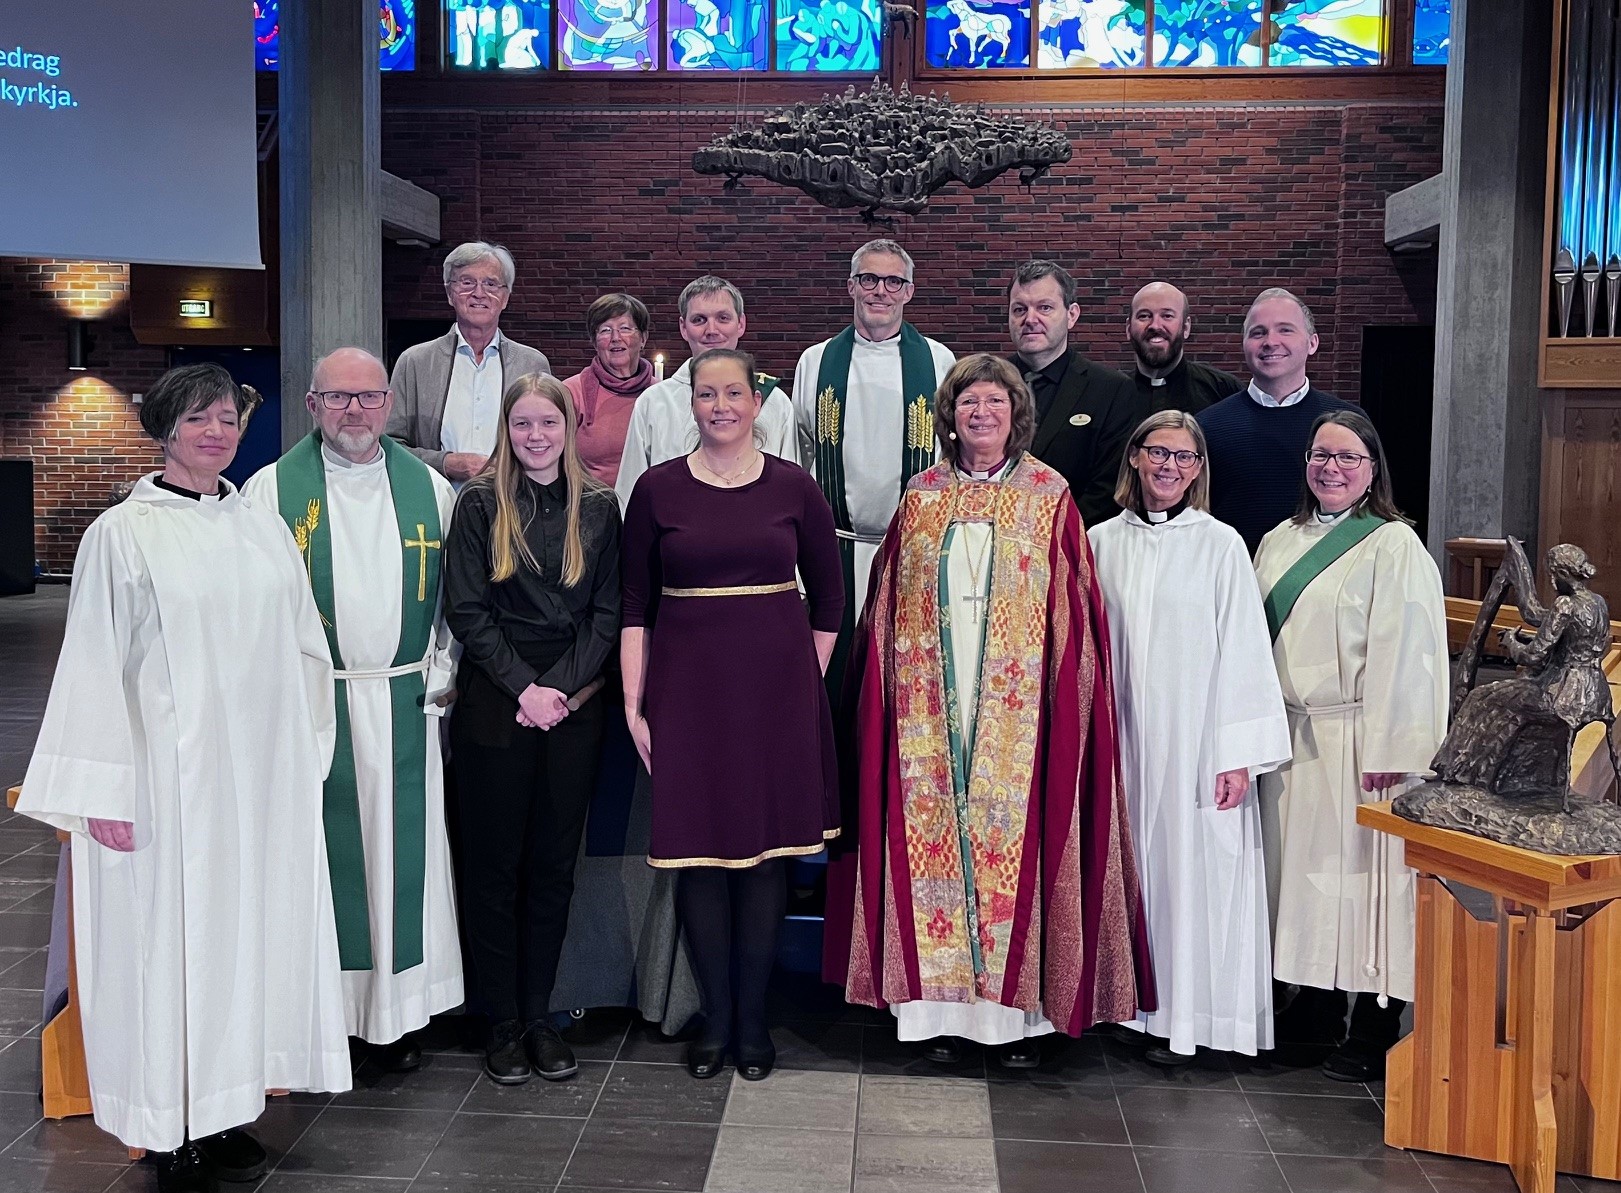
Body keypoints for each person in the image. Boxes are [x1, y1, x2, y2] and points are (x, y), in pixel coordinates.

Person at [18, 364, 350, 1193]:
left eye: (229, 419)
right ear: (165, 429)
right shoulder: (122, 535)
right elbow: (93, 667)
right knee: (171, 952)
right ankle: (170, 1130)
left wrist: (300, 751)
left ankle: (229, 1108)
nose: (217, 432)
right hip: (168, 788)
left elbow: (304, 644)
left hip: (257, 783)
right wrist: (105, 793)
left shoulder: (260, 524)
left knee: (244, 946)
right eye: (198, 419)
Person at [828, 353, 1154, 1071]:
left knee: (1019, 845)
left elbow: (1074, 610)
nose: (980, 415)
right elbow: (886, 605)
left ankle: (1018, 1024)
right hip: (928, 713)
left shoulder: (1048, 493)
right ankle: (933, 1016)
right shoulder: (921, 495)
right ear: (949, 417)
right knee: (928, 849)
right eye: (968, 404)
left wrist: (1066, 702)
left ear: (1016, 416)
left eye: (994, 404)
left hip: (1018, 709)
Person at [620, 348, 843, 1082]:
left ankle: (753, 1020)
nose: (720, 406)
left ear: (756, 402)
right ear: (690, 402)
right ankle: (715, 1018)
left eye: (733, 394)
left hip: (775, 694)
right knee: (699, 862)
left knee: (764, 862)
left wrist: (795, 682)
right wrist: (633, 702)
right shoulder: (656, 490)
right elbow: (633, 606)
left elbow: (830, 601)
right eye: (706, 394)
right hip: (686, 692)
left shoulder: (794, 486)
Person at [242, 348, 463, 1076]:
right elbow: (252, 610)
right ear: (311, 405)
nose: (355, 412)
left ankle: (396, 1017)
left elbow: (454, 608)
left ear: (389, 404)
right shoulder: (272, 491)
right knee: (326, 862)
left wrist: (441, 674)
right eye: (338, 399)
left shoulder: (429, 489)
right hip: (317, 706)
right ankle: (328, 1016)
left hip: (405, 700)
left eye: (368, 397)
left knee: (402, 858)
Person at [1087, 410, 1290, 1067]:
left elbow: (1244, 652)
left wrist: (1237, 754)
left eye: (1183, 456)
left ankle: (1189, 1017)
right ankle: (1128, 1006)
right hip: (1121, 740)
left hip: (1195, 741)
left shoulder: (1221, 544)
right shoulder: (1098, 542)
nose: (1168, 467)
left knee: (1188, 872)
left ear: (1198, 469)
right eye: (1157, 453)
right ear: (1135, 459)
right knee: (1128, 872)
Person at [1253, 408, 1448, 1083]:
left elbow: (1413, 652)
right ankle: (1309, 1008)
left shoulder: (1392, 545)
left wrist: (1396, 749)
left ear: (1371, 472)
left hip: (1363, 741)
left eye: (1346, 458)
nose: (1329, 468)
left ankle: (1372, 1020)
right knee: (1301, 886)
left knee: (1366, 884)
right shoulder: (1277, 539)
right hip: (1292, 738)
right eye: (1319, 455)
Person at [444, 372, 622, 1086]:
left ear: (569, 428)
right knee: (493, 871)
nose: (536, 436)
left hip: (574, 707)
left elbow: (607, 612)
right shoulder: (479, 503)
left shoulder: (602, 507)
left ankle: (542, 1014)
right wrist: (526, 687)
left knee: (552, 869)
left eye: (548, 423)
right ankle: (501, 1020)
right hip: (497, 702)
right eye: (523, 424)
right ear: (506, 430)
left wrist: (560, 691)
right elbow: (467, 610)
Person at [791, 238, 956, 681]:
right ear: (851, 287)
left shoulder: (939, 362)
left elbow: (953, 460)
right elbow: (797, 456)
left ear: (909, 291)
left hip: (912, 550)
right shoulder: (816, 360)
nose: (880, 290)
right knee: (834, 678)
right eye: (869, 279)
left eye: (892, 281)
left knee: (902, 678)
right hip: (833, 547)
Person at [1196, 288, 1354, 554]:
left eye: (1285, 330)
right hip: (1233, 578)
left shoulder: (1348, 427)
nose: (1270, 341)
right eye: (1258, 333)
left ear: (1312, 342)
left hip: (1327, 578)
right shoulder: (1208, 427)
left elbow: (1370, 509)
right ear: (1244, 344)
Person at [614, 275, 794, 507]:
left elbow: (790, 490)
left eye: (723, 318)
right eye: (699, 320)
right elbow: (631, 492)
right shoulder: (654, 401)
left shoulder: (774, 402)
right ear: (683, 327)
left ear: (740, 324)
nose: (712, 330)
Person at [387, 241, 553, 482]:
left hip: (513, 505)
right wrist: (445, 463)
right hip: (438, 503)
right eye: (466, 282)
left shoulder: (532, 365)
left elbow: (548, 442)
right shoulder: (415, 362)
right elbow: (389, 445)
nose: (478, 293)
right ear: (449, 293)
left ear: (505, 297)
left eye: (491, 283)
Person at [1005, 259, 1138, 527]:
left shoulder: (1111, 390)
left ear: (1072, 314)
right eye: (1020, 309)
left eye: (1044, 307)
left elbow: (1109, 486)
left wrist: (1053, 536)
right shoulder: (988, 385)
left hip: (1074, 542)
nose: (1030, 319)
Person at [563, 292, 656, 485]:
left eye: (625, 328)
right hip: (592, 505)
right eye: (605, 330)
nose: (616, 338)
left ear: (643, 338)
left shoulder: (660, 394)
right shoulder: (571, 392)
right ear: (594, 342)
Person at [1126, 281, 1243, 416]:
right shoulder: (1112, 396)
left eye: (1167, 316)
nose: (1155, 326)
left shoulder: (1225, 392)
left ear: (1186, 327)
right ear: (1128, 328)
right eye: (1144, 316)